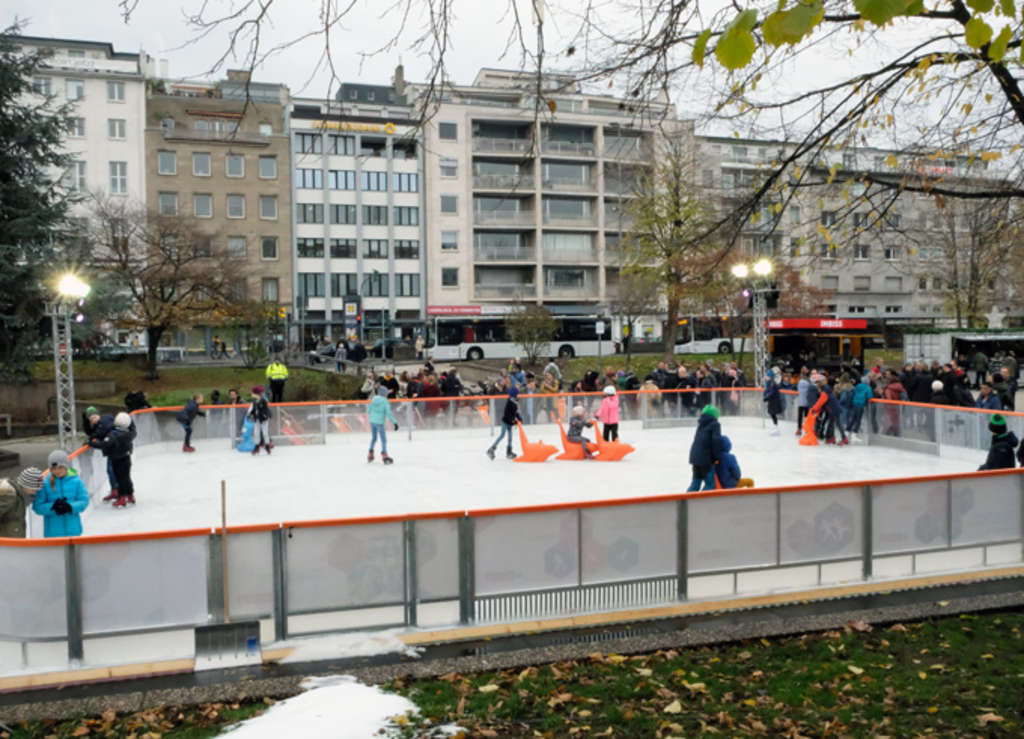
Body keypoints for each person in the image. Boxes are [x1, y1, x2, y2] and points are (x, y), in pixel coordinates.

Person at [32, 450, 89, 538]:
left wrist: (70, 507)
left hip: (73, 531)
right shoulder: (45, 484)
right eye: (54, 468)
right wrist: (53, 506)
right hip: (53, 534)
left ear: (66, 466)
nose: (57, 471)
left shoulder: (76, 481)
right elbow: (37, 507)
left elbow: (84, 501)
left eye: (60, 467)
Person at [90, 412, 136, 507]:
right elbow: (133, 429)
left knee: (120, 479)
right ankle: (130, 495)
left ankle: (122, 497)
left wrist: (91, 443)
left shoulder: (113, 435)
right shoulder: (129, 433)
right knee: (126, 477)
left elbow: (104, 444)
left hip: (116, 459)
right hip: (126, 457)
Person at [82, 405, 119, 500]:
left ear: (98, 415)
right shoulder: (100, 422)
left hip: (116, 449)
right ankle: (115, 490)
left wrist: (90, 442)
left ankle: (118, 491)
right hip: (113, 449)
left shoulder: (104, 422)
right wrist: (85, 421)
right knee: (111, 470)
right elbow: (91, 433)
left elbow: (98, 435)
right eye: (90, 419)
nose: (93, 420)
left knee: (113, 470)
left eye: (94, 417)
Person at [687, 404, 725, 492]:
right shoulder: (715, 425)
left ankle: (687, 500)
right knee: (710, 484)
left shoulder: (700, 424)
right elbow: (716, 441)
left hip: (695, 458)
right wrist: (717, 457)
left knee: (695, 483)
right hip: (706, 460)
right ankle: (702, 502)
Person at [0, 467, 44, 538]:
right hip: (6, 542)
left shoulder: (19, 494)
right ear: (27, 485)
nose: (36, 491)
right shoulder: (9, 495)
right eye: (34, 489)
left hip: (12, 539)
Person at [487, 386, 523, 460]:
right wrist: (513, 421)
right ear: (514, 394)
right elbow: (508, 415)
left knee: (510, 438)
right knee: (502, 435)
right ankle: (491, 449)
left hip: (510, 422)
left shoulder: (514, 402)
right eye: (517, 394)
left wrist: (519, 418)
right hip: (505, 422)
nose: (518, 395)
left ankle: (509, 452)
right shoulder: (509, 402)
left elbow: (515, 412)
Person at [367, 385, 398, 463]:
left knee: (374, 438)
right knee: (383, 439)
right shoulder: (385, 401)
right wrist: (395, 422)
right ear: (384, 394)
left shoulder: (374, 399)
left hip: (372, 421)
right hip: (379, 423)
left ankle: (370, 452)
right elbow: (388, 413)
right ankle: (384, 454)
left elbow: (368, 410)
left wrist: (373, 416)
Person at [247, 386, 272, 455]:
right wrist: (250, 414)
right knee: (256, 433)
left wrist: (266, 415)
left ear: (256, 393)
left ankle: (267, 445)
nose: (251, 394)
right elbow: (253, 409)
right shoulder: (254, 401)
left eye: (253, 393)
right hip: (257, 419)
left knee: (265, 433)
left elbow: (267, 409)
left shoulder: (263, 400)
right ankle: (256, 446)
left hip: (264, 419)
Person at [796, 369, 813, 436]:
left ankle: (799, 429)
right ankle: (807, 429)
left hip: (801, 402)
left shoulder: (800, 382)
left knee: (800, 417)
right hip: (807, 402)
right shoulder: (809, 383)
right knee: (807, 417)